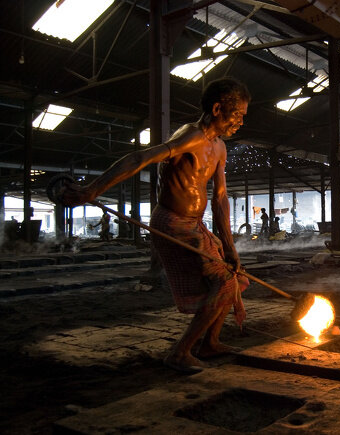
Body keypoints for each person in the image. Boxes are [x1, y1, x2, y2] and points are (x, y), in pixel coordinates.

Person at [60, 78, 251, 373]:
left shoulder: (220, 148)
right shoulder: (192, 137)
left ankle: (210, 343)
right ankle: (179, 353)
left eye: (242, 116)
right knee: (224, 284)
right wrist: (92, 190)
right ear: (217, 109)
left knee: (232, 276)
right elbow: (140, 158)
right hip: (172, 223)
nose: (240, 122)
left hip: (194, 224)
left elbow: (221, 199)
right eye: (236, 114)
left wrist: (229, 247)